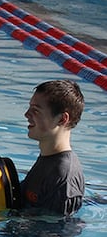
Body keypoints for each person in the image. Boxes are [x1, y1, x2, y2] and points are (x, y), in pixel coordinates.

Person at [20, 79, 85, 216]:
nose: (26, 114)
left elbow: (54, 233)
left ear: (62, 119)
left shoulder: (63, 177)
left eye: (36, 110)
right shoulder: (49, 158)